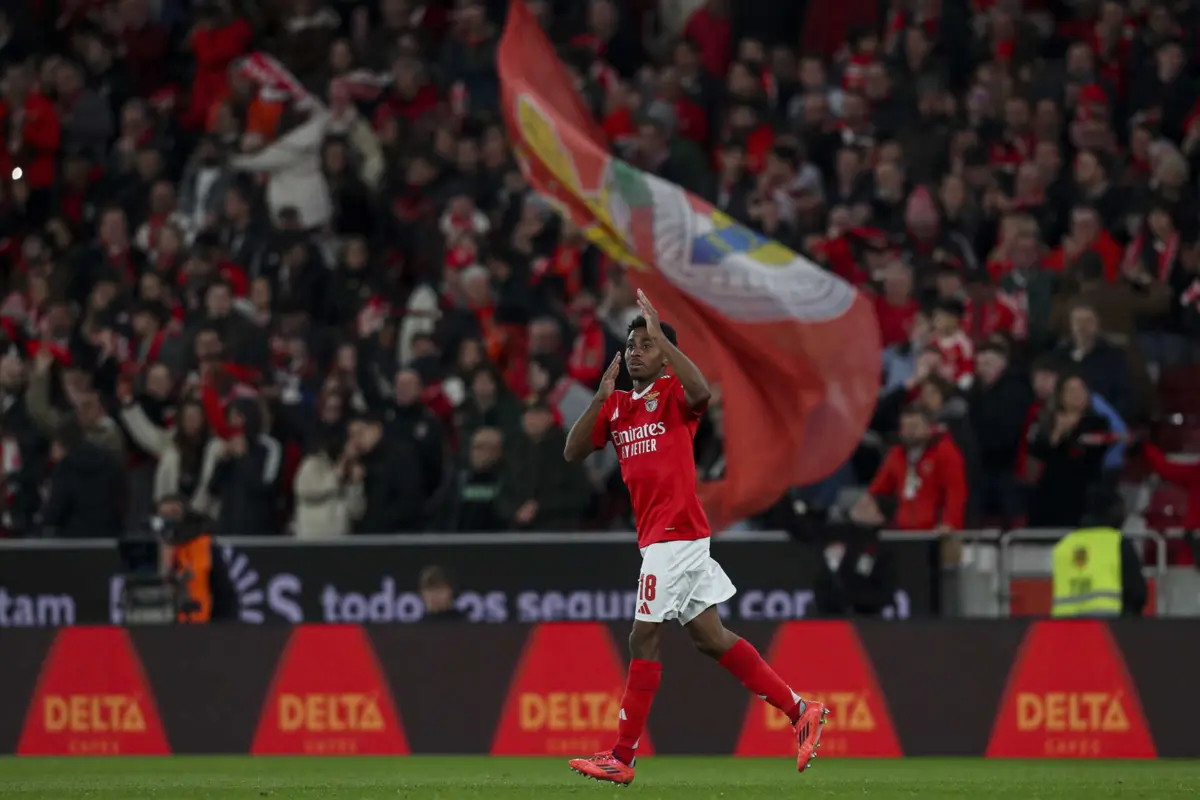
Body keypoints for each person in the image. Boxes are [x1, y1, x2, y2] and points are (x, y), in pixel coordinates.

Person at [561, 290, 826, 785]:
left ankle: (622, 756)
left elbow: (703, 393)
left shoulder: (674, 395)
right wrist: (599, 397)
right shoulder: (618, 408)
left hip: (674, 535)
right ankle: (800, 710)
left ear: (663, 355)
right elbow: (573, 452)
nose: (637, 350)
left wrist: (665, 337)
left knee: (644, 634)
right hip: (665, 537)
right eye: (633, 343)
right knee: (710, 637)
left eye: (648, 343)